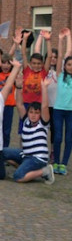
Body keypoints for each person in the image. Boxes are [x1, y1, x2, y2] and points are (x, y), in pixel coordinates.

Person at [4, 73, 55, 183]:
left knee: (18, 177)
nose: (33, 115)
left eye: (36, 113)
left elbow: (45, 106)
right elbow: (19, 104)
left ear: (40, 114)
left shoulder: (43, 123)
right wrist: (18, 87)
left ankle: (44, 171)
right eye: (31, 112)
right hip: (25, 154)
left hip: (38, 158)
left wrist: (44, 88)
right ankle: (24, 169)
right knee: (1, 152)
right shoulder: (26, 120)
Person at [52, 29, 72, 175]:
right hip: (58, 110)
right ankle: (56, 162)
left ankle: (64, 164)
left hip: (71, 111)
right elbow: (60, 57)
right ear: (65, 66)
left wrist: (69, 36)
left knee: (69, 138)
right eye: (68, 64)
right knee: (58, 137)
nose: (70, 66)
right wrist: (61, 39)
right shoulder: (59, 75)